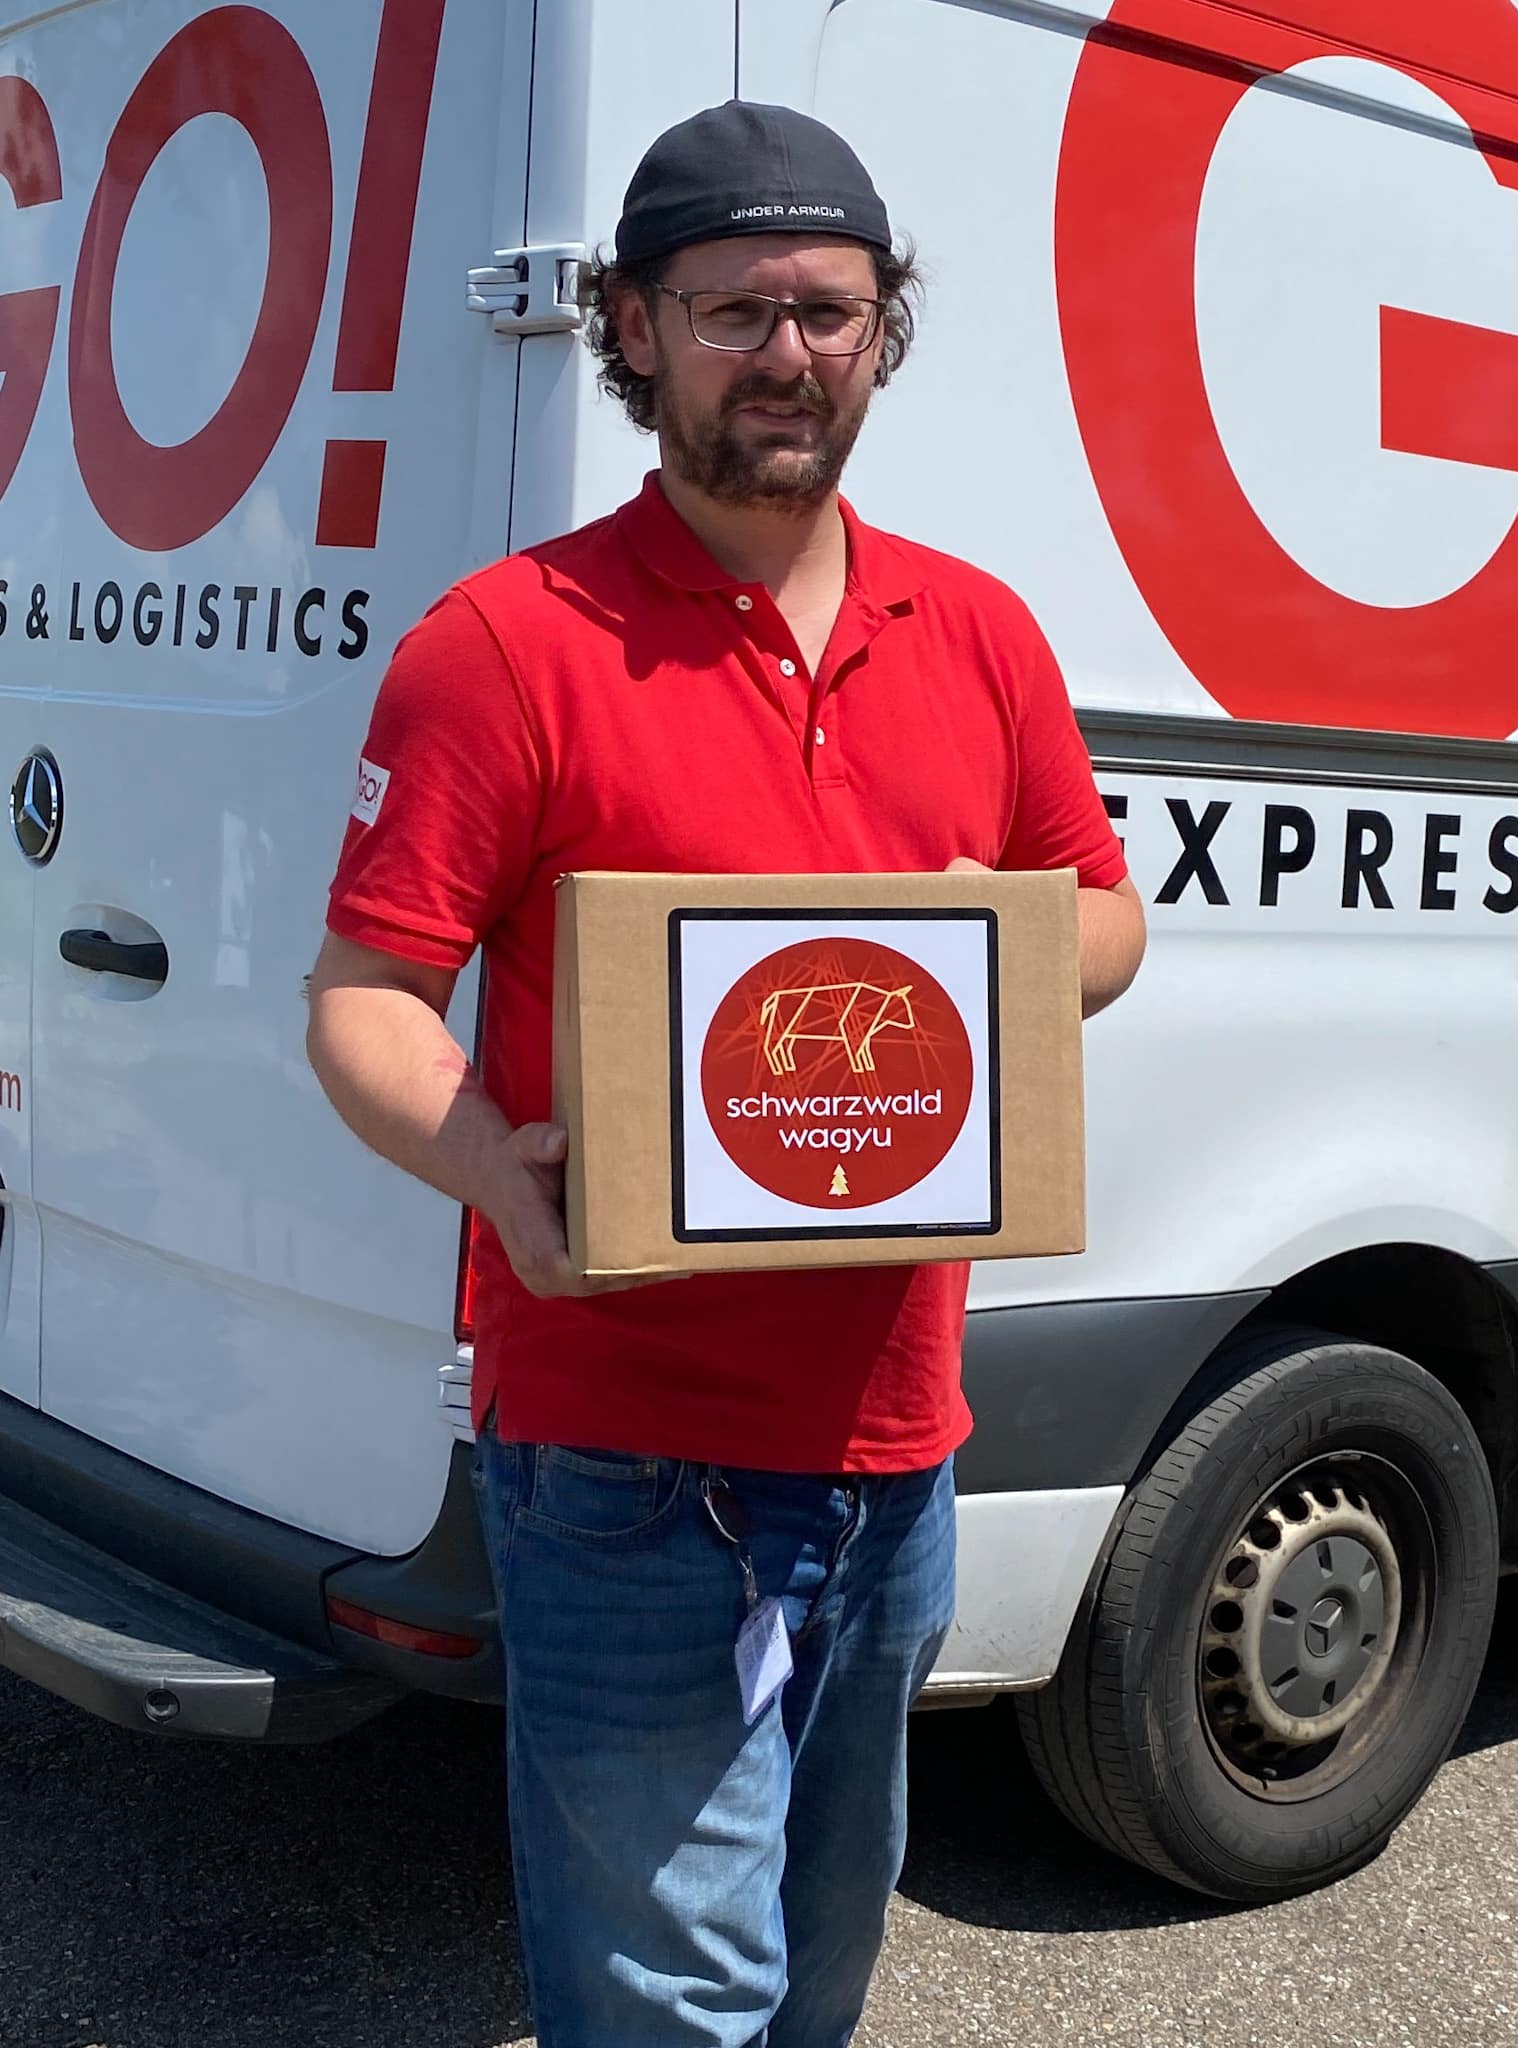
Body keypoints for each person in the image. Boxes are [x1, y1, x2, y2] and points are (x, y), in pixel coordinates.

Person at [305, 101, 1145, 2048]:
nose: (786, 353)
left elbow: (1103, 922)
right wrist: (494, 1168)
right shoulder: (506, 644)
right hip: (623, 1456)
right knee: (680, 2000)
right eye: (731, 309)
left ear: (881, 333)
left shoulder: (981, 634)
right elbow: (362, 995)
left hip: (894, 1446)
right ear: (632, 327)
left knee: (822, 1961)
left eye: (828, 311)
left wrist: (983, 946)